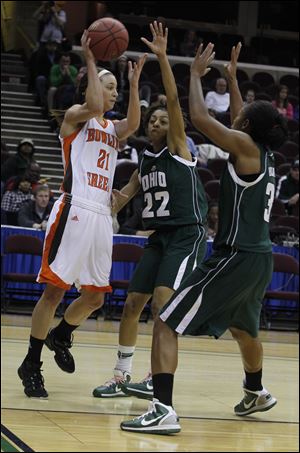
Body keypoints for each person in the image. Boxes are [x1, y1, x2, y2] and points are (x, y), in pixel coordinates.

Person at [120, 42, 288, 434]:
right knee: (245, 329)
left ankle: (163, 409)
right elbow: (236, 120)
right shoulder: (263, 153)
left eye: (242, 115)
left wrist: (195, 75)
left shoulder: (244, 145)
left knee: (165, 321)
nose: (238, 115)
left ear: (247, 128)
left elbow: (197, 116)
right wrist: (230, 80)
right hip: (261, 258)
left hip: (235, 256)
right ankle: (256, 390)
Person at [17, 30, 147, 398]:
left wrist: (133, 84)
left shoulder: (110, 128)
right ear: (91, 86)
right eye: (110, 87)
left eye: (115, 89)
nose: (114, 93)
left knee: (95, 298)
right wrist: (91, 61)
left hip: (101, 216)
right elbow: (93, 103)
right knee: (54, 293)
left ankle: (62, 334)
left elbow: (133, 124)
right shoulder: (75, 117)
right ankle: (31, 363)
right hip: (74, 208)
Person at [93, 22, 207, 400]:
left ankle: (155, 379)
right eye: (153, 121)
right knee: (130, 304)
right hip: (159, 238)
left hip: (186, 234)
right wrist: (94, 201)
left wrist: (161, 57)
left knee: (162, 304)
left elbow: (174, 104)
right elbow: (124, 195)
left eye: (161, 121)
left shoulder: (179, 148)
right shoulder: (146, 158)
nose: (157, 123)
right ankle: (122, 375)